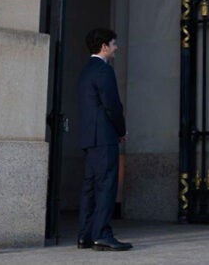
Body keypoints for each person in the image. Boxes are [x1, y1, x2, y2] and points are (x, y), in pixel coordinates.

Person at [76, 28, 132, 251]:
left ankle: (85, 235)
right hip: (104, 137)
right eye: (114, 44)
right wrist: (121, 130)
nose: (116, 48)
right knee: (107, 186)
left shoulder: (85, 71)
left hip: (89, 138)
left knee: (90, 188)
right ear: (104, 47)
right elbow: (112, 105)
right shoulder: (104, 71)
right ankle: (102, 235)